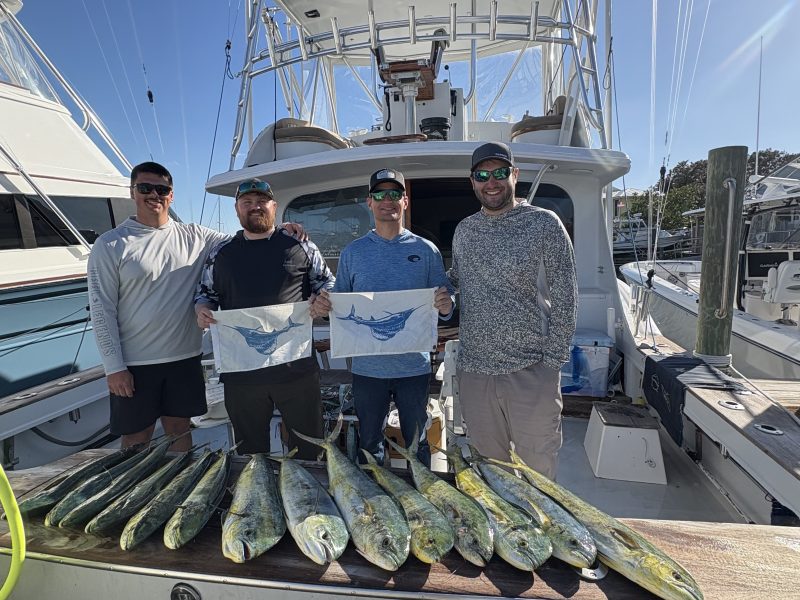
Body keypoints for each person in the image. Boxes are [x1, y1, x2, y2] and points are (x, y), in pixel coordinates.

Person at [449, 142, 577, 479]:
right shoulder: (464, 230)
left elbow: (566, 294)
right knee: (493, 474)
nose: (491, 182)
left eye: (500, 173)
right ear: (473, 181)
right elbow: (456, 280)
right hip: (475, 373)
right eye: (482, 175)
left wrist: (551, 363)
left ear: (515, 175)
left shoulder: (543, 223)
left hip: (530, 372)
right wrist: (437, 293)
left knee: (538, 473)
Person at [312, 168, 454, 467]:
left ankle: (419, 490)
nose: (387, 200)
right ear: (370, 202)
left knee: (416, 443)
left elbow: (446, 301)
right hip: (367, 370)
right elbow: (340, 302)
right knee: (369, 444)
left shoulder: (426, 250)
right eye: (379, 194)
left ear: (405, 201)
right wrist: (325, 306)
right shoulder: (353, 252)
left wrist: (445, 305)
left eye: (394, 194)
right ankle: (373, 492)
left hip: (413, 367)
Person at [88, 162, 230, 451]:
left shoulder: (197, 236)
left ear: (171, 195)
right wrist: (114, 368)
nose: (154, 194)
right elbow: (102, 310)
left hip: (185, 359)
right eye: (145, 188)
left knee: (179, 430)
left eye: (162, 189)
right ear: (132, 192)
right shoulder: (110, 244)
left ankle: (182, 480)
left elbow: (245, 240)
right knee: (136, 438)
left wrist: (283, 229)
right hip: (135, 365)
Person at [195, 178, 335, 459]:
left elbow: (328, 284)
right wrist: (202, 310)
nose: (255, 207)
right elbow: (205, 294)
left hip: (296, 372)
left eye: (262, 201)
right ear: (237, 209)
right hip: (241, 375)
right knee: (250, 455)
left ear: (274, 206)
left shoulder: (301, 246)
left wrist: (324, 302)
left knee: (310, 450)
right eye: (247, 202)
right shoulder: (220, 253)